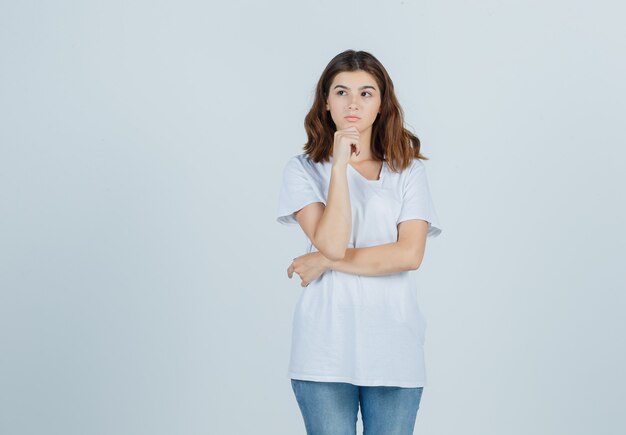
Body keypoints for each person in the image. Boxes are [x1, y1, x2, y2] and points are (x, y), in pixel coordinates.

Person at [276, 49, 443, 435]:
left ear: (382, 104)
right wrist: (338, 165)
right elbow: (331, 242)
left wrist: (324, 262)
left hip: (394, 346)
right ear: (326, 102)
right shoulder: (302, 170)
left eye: (366, 93)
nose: (354, 103)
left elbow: (409, 255)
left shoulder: (408, 170)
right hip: (323, 348)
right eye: (342, 92)